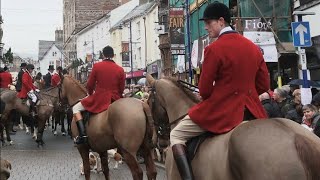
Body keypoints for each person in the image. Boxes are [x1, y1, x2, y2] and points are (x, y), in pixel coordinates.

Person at [169, 2, 270, 179]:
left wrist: (220, 89)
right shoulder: (253, 47)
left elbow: (205, 90)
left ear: (221, 21)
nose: (206, 27)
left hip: (223, 111)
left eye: (209, 23)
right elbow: (263, 84)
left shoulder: (213, 49)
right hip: (252, 109)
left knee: (175, 134)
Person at [72, 46, 125, 144]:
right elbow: (121, 88)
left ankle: (83, 135)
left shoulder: (97, 66)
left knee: (75, 108)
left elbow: (90, 84)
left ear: (103, 55)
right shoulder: (120, 69)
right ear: (113, 55)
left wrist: (90, 94)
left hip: (100, 98)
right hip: (115, 98)